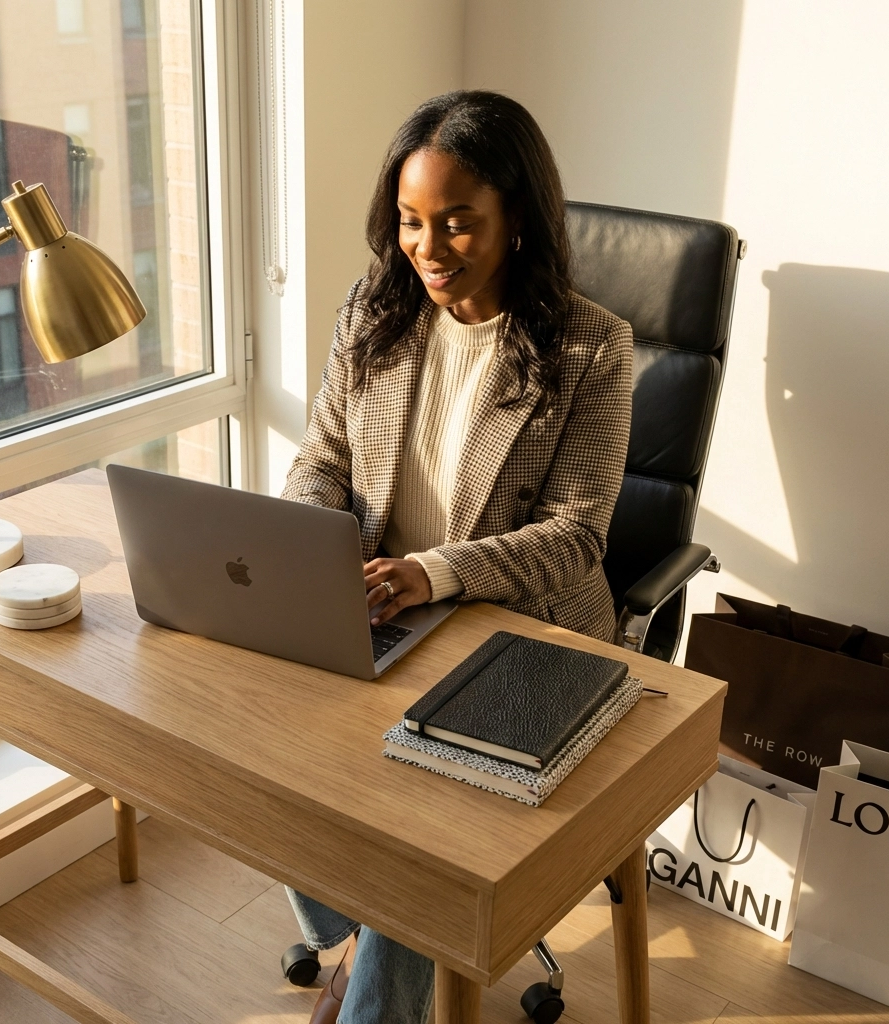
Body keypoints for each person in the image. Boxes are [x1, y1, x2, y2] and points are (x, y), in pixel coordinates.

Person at [281, 90, 633, 1024]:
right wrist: (322, 552)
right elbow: (322, 458)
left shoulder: (591, 350)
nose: (427, 249)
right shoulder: (375, 309)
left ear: (518, 218)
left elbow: (577, 535)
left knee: (412, 838)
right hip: (380, 612)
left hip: (525, 636)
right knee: (255, 745)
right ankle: (352, 941)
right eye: (408, 221)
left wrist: (429, 573)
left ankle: (369, 991)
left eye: (457, 223)